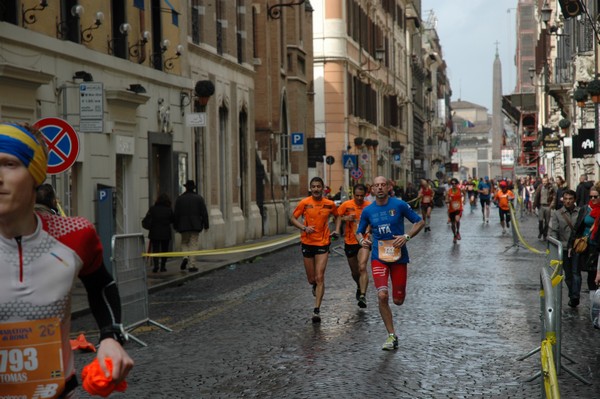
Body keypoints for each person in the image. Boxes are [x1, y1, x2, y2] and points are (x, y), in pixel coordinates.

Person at [0, 122, 133, 398]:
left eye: (9, 164)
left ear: (35, 176)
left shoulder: (75, 236)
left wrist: (110, 337)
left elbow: (101, 286)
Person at [356, 176, 424, 350]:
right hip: (379, 258)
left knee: (398, 300)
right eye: (376, 185)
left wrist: (406, 236)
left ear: (388, 187)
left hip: (399, 258)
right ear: (372, 189)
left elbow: (419, 221)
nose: (379, 188)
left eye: (383, 185)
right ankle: (391, 336)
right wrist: (362, 241)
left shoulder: (399, 205)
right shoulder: (368, 211)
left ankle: (398, 300)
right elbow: (359, 232)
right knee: (382, 295)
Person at [290, 177, 340, 323]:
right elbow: (293, 218)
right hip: (307, 242)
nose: (316, 189)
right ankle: (314, 286)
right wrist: (304, 228)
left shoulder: (329, 204)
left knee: (320, 277)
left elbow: (337, 217)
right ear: (310, 189)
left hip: (323, 243)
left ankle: (316, 310)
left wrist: (336, 230)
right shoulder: (304, 203)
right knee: (312, 278)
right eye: (314, 187)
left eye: (319, 186)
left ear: (323, 188)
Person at [335, 184, 371, 308]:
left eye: (362, 195)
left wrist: (371, 231)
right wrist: (344, 220)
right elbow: (338, 216)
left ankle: (363, 295)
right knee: (355, 272)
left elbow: (374, 221)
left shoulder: (369, 206)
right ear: (353, 195)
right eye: (357, 195)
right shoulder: (346, 205)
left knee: (362, 267)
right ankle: (359, 285)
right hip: (350, 241)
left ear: (365, 195)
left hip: (364, 241)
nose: (359, 198)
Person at [569, 186, 600, 307]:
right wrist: (572, 244)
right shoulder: (585, 209)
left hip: (596, 246)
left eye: (595, 196)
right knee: (577, 271)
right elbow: (577, 227)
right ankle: (576, 297)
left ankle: (594, 302)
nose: (592, 199)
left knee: (593, 274)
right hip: (583, 244)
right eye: (590, 196)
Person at [549, 189, 580, 307]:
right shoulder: (557, 213)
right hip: (564, 248)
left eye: (570, 199)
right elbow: (554, 232)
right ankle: (572, 294)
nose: (568, 201)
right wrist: (557, 246)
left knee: (576, 273)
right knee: (568, 275)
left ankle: (575, 296)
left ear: (574, 200)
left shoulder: (580, 212)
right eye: (566, 199)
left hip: (577, 248)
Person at [173, 180, 210, 273]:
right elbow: (204, 213)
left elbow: (176, 214)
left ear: (185, 187)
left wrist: (175, 225)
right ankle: (192, 265)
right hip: (195, 225)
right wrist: (206, 225)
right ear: (193, 188)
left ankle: (185, 257)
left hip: (183, 226)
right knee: (193, 244)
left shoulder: (180, 199)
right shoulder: (199, 198)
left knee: (184, 242)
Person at [143, 193, 174, 273]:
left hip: (154, 232)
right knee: (164, 250)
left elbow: (147, 219)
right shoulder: (169, 209)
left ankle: (156, 266)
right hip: (165, 233)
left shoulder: (152, 209)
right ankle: (163, 266)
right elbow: (172, 220)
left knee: (155, 250)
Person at [533, 176, 556, 240]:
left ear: (548, 181)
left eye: (545, 181)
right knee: (540, 220)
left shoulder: (551, 188)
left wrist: (552, 205)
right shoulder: (540, 187)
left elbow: (554, 197)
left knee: (547, 222)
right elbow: (536, 196)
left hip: (548, 206)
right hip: (541, 206)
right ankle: (541, 232)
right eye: (543, 181)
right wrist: (534, 206)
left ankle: (545, 234)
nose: (544, 183)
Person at [446, 178, 464, 244]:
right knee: (453, 224)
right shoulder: (449, 191)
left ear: (457, 184)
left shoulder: (460, 190)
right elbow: (446, 200)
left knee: (457, 220)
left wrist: (463, 201)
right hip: (451, 209)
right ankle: (454, 235)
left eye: (455, 183)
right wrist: (448, 201)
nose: (453, 185)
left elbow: (464, 194)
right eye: (452, 183)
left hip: (459, 208)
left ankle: (458, 231)